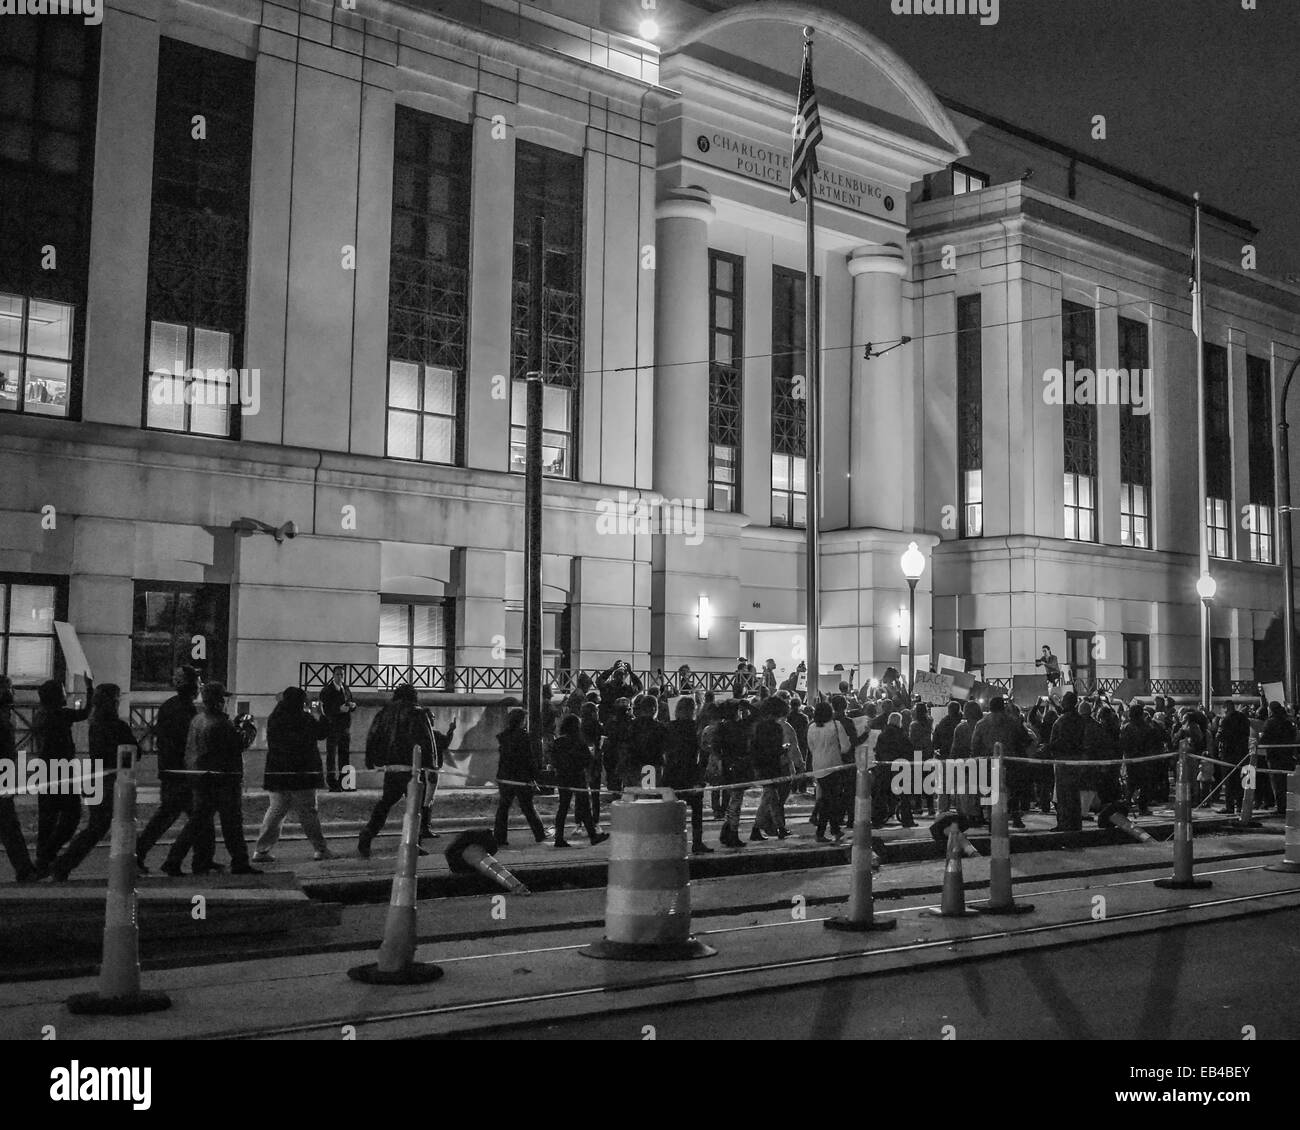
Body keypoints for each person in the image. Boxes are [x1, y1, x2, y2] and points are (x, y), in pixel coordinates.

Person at [162, 682, 259, 876]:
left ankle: (178, 860)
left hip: (201, 777)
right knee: (231, 824)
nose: (225, 702)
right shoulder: (219, 724)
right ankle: (239, 862)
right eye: (223, 698)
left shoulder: (199, 720)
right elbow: (238, 744)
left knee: (197, 823)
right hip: (223, 780)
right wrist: (249, 728)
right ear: (217, 701)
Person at [48, 684, 138, 880]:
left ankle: (64, 864)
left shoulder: (95, 723)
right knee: (116, 823)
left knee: (97, 825)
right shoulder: (117, 726)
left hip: (95, 776)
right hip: (111, 780)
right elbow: (132, 751)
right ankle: (65, 864)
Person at [252, 687, 334, 863]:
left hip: (278, 773)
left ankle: (262, 849)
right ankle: (320, 848)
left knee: (276, 810)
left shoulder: (275, 718)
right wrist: (322, 714)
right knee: (308, 812)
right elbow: (322, 733)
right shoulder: (304, 719)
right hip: (302, 774)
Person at [137, 666, 207, 872]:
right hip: (181, 773)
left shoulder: (171, 706)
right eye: (197, 683)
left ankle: (196, 859)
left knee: (176, 816)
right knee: (194, 817)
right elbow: (187, 742)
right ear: (191, 686)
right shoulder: (184, 709)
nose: (199, 688)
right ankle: (181, 860)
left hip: (172, 770)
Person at [357, 683, 437, 858]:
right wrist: (432, 764)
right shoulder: (418, 713)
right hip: (413, 767)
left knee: (386, 803)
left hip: (392, 767)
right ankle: (413, 843)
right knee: (415, 808)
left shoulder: (385, 713)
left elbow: (373, 735)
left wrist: (371, 760)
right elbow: (427, 740)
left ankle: (368, 833)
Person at [30, 678, 92, 878]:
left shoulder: (41, 715)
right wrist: (89, 692)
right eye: (63, 691)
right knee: (72, 815)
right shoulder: (59, 714)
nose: (66, 694)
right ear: (56, 696)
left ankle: (42, 860)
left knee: (47, 818)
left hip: (45, 771)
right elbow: (83, 713)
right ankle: (48, 855)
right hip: (61, 772)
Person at [551, 714, 608, 847]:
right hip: (577, 777)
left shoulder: (558, 742)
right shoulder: (578, 741)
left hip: (562, 778)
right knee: (585, 807)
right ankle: (593, 836)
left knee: (563, 808)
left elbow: (553, 760)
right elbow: (587, 760)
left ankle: (559, 838)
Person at [664, 697, 712, 853]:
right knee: (696, 810)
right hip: (691, 773)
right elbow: (702, 754)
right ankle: (697, 842)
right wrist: (701, 776)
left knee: (673, 811)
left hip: (672, 773)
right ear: (693, 710)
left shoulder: (669, 727)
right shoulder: (695, 728)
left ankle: (672, 843)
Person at [494, 707, 547, 846]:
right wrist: (535, 777)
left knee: (503, 807)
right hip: (521, 778)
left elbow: (504, 759)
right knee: (528, 807)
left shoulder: (504, 737)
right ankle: (540, 834)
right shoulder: (524, 737)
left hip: (505, 776)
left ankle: (499, 837)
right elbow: (528, 759)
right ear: (521, 721)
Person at [0, 676, 35, 880]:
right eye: (7, 688)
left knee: (9, 826)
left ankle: (25, 869)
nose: (11, 692)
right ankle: (25, 869)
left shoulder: (6, 713)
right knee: (9, 826)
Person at [807, 700, 850, 841]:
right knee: (831, 800)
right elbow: (845, 747)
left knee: (827, 798)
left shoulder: (812, 727)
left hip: (818, 766)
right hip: (833, 766)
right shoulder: (836, 726)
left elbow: (811, 747)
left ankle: (833, 829)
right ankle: (825, 831)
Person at [1047, 691, 1087, 831]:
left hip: (1063, 761)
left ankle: (1064, 822)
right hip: (1077, 761)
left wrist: (1048, 748)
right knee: (1074, 793)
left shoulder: (1061, 721)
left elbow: (1055, 742)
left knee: (1063, 794)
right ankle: (1076, 823)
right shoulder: (1080, 720)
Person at [714, 699, 751, 848]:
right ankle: (732, 834)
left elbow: (717, 749)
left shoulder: (721, 727)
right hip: (737, 766)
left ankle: (727, 831)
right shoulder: (738, 727)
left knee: (733, 801)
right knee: (736, 801)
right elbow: (757, 714)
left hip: (728, 766)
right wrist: (747, 704)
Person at [748, 706, 788, 841]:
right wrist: (783, 749)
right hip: (772, 766)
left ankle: (778, 828)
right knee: (769, 798)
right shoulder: (776, 728)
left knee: (771, 798)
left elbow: (754, 747)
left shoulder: (758, 728)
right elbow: (776, 748)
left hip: (761, 765)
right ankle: (758, 828)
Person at [319, 665, 356, 792]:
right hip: (332, 727)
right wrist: (338, 709)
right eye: (338, 674)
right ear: (333, 676)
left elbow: (351, 701)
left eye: (342, 675)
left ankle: (344, 782)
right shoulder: (327, 691)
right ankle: (332, 782)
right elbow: (324, 710)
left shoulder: (346, 689)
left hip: (345, 727)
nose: (340, 677)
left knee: (344, 755)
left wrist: (352, 706)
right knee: (331, 756)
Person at [1215, 700, 1251, 815]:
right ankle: (1240, 806)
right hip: (1242, 753)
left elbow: (1220, 736)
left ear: (1225, 708)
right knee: (1241, 781)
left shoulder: (1225, 720)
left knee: (1229, 782)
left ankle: (1229, 807)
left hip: (1229, 754)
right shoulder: (1244, 719)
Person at [1261, 701, 1297, 815]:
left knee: (1277, 783)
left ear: (1271, 710)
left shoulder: (1270, 723)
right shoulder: (1288, 722)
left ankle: (1281, 807)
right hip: (1288, 755)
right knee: (1289, 783)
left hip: (1275, 756)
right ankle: (1291, 806)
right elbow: (1293, 736)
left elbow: (1264, 739)